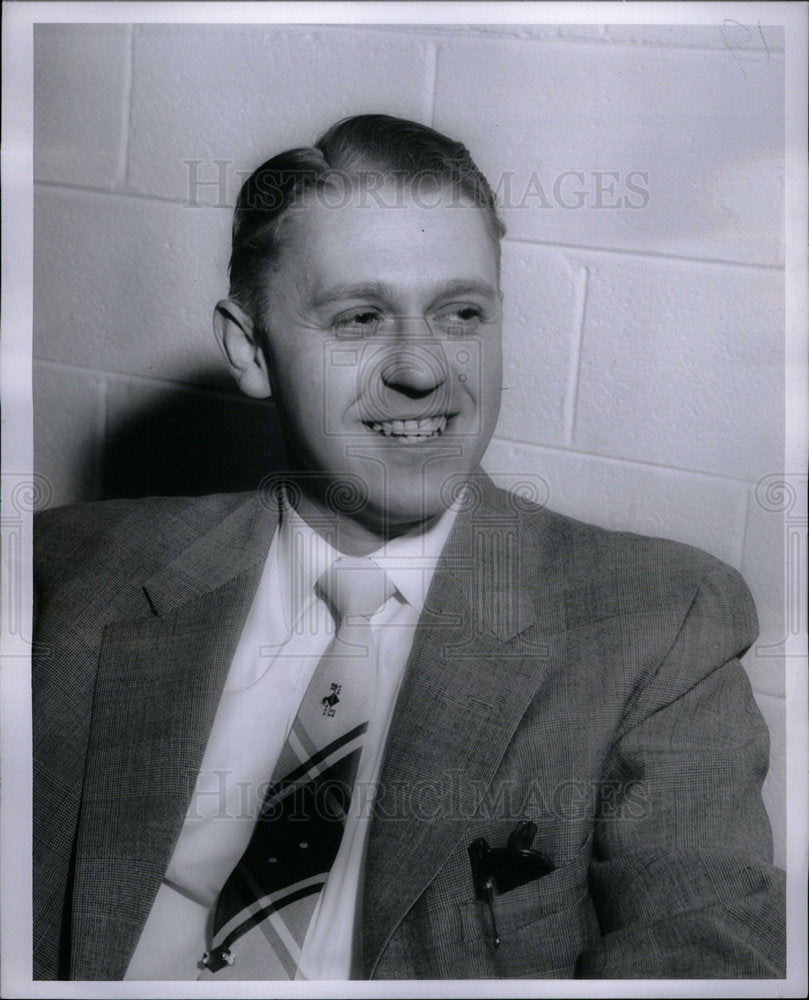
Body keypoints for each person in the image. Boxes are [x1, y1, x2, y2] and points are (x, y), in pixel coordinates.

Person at [32, 114, 785, 981]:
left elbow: (711, 946)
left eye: (460, 312)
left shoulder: (655, 625)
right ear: (249, 349)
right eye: (358, 319)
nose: (422, 368)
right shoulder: (74, 568)